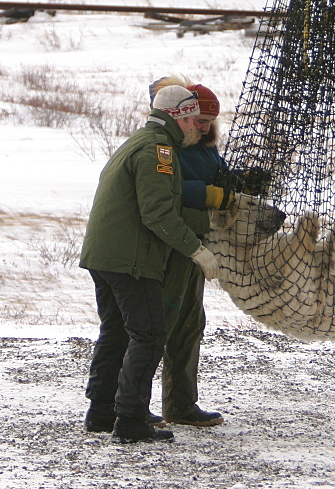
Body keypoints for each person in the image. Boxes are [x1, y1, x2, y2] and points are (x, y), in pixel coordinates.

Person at [79, 85, 220, 444]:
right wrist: (197, 251)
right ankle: (130, 419)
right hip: (131, 260)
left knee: (117, 333)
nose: (195, 127)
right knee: (150, 335)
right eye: (191, 119)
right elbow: (158, 212)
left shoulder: (140, 140)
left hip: (105, 256)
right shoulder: (158, 150)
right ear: (179, 116)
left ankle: (100, 413)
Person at [149, 77, 270, 428]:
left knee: (190, 323)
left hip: (198, 241)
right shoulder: (167, 148)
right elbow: (169, 190)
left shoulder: (203, 145)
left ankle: (181, 405)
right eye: (198, 121)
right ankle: (129, 404)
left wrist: (241, 181)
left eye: (208, 123)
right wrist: (213, 195)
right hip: (174, 244)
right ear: (184, 117)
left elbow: (218, 176)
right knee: (159, 324)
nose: (202, 128)